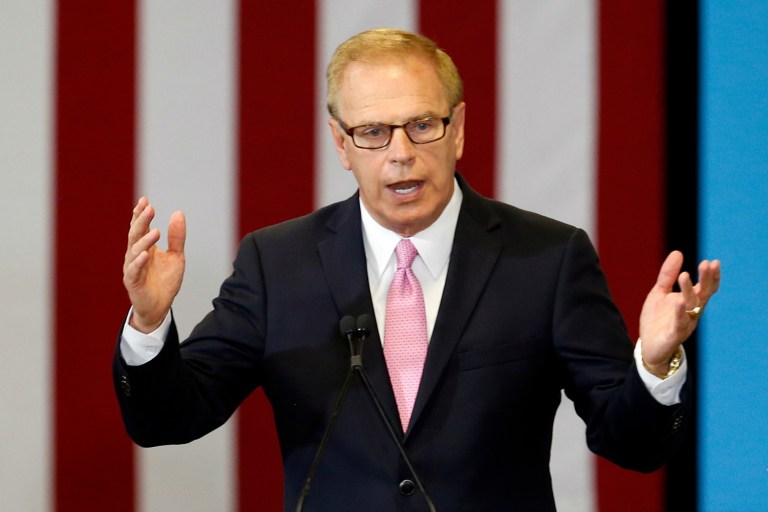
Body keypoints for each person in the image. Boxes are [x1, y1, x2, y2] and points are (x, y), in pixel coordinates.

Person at [115, 28, 721, 511]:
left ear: (457, 129)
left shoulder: (546, 259)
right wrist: (148, 323)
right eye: (373, 132)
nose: (401, 152)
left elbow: (632, 444)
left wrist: (655, 361)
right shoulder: (279, 264)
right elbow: (169, 418)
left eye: (422, 125)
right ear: (341, 144)